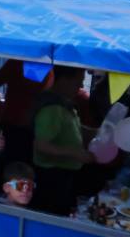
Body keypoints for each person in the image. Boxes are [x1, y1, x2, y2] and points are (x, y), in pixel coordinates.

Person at [32, 65, 91, 216]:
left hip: (64, 176)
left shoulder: (64, 104)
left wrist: (95, 132)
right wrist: (75, 153)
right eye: (79, 81)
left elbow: (71, 128)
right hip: (52, 178)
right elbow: (41, 145)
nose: (81, 85)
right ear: (64, 80)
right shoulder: (51, 108)